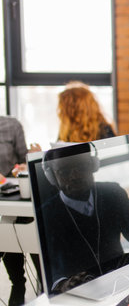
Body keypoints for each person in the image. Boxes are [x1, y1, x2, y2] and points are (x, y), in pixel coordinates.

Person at [40, 144, 129, 293]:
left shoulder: (113, 193)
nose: (75, 176)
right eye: (64, 171)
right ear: (52, 177)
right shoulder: (46, 214)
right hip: (79, 293)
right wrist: (63, 284)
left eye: (82, 167)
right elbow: (51, 271)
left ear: (93, 165)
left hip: (121, 280)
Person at [0, 116, 42, 306]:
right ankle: (18, 283)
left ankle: (44, 282)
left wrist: (29, 160)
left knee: (22, 221)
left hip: (13, 190)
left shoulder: (11, 125)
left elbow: (22, 161)